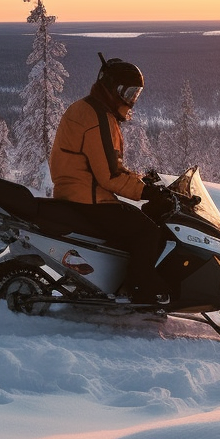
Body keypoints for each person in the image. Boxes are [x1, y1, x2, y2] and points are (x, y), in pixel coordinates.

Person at [49, 55, 172, 304]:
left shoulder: (86, 108)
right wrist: (144, 192)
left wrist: (140, 181)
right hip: (88, 199)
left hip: (77, 193)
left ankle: (112, 282)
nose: (131, 99)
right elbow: (110, 175)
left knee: (134, 224)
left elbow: (106, 165)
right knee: (148, 231)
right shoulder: (98, 118)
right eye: (127, 92)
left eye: (136, 93)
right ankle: (140, 292)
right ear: (111, 88)